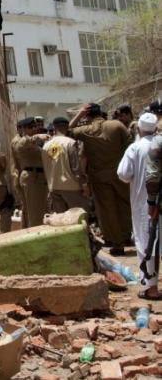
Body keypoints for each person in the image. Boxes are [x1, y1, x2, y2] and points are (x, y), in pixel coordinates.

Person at [70, 103, 132, 256]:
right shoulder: (117, 125)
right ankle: (126, 236)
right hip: (120, 173)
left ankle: (117, 243)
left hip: (99, 176)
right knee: (124, 205)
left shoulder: (86, 130)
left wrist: (79, 115)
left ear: (87, 115)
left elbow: (69, 130)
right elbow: (129, 146)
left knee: (107, 209)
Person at [118, 113, 159, 299]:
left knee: (145, 243)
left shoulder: (134, 148)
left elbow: (123, 174)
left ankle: (151, 288)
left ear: (139, 129)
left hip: (145, 204)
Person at [42, 117, 90, 213]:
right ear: (67, 127)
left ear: (54, 128)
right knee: (79, 219)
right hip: (72, 187)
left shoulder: (46, 145)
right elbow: (76, 168)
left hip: (54, 187)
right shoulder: (70, 143)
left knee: (63, 222)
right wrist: (84, 185)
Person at [12, 117, 49, 227]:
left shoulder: (34, 142)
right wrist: (36, 137)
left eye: (35, 127)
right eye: (30, 127)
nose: (34, 129)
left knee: (39, 211)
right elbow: (23, 143)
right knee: (34, 214)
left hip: (39, 178)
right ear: (23, 129)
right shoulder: (21, 141)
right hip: (32, 177)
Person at [11, 124, 28, 229]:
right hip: (20, 176)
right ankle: (25, 227)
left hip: (19, 175)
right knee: (26, 206)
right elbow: (20, 161)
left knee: (26, 205)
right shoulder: (18, 141)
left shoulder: (19, 139)